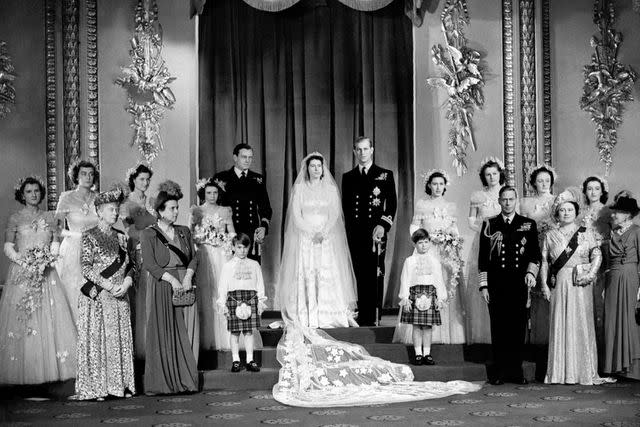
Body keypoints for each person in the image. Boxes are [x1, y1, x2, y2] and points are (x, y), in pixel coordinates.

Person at [0, 176, 76, 385]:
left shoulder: (49, 217)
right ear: (22, 195)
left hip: (46, 273)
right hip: (22, 273)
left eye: (36, 191)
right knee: (26, 319)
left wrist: (48, 258)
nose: (33, 195)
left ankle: (49, 375)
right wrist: (25, 262)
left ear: (41, 193)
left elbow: (55, 241)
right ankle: (26, 376)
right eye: (29, 192)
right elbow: (8, 246)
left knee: (48, 318)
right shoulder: (15, 218)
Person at [277, 152, 358, 328]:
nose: (315, 169)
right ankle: (306, 313)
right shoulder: (299, 189)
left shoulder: (330, 189)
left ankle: (327, 314)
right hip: (306, 238)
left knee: (325, 273)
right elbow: (296, 215)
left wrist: (323, 232)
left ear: (323, 169)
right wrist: (310, 231)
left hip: (325, 238)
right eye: (312, 166)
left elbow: (334, 213)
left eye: (318, 166)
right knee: (308, 273)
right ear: (307, 168)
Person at [540, 193, 613, 385]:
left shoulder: (585, 232)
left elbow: (596, 254)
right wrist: (544, 285)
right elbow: (545, 263)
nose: (566, 213)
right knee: (560, 323)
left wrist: (590, 274)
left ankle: (582, 371)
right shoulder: (549, 235)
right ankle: (560, 373)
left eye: (570, 209)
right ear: (556, 212)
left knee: (580, 323)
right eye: (562, 210)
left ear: (576, 211)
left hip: (580, 283)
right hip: (560, 283)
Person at [74, 187, 135, 400]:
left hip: (120, 295)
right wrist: (108, 287)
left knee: (119, 341)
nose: (115, 213)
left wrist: (126, 283)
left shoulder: (122, 237)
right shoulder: (89, 235)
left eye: (117, 209)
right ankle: (98, 387)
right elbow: (86, 268)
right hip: (99, 296)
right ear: (99, 211)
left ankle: (120, 386)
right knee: (99, 342)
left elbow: (130, 265)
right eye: (111, 209)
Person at [141, 180, 199, 394]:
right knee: (165, 333)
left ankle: (187, 377)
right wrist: (173, 280)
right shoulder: (148, 234)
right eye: (172, 208)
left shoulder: (184, 231)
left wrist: (187, 277)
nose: (176, 212)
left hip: (186, 283)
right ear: (160, 211)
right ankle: (166, 381)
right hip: (164, 286)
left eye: (177, 208)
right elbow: (150, 265)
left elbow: (194, 258)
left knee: (188, 332)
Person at [478, 185, 540, 385]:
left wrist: (531, 273)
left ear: (516, 201)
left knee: (517, 328)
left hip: (518, 285)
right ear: (499, 200)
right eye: (504, 199)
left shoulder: (528, 224)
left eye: (511, 199)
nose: (507, 203)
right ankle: (498, 372)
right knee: (499, 328)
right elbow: (483, 258)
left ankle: (515, 371)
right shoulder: (489, 224)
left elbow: (535, 254)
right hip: (496, 285)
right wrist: (484, 286)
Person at [191, 178, 260, 352]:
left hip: (222, 254)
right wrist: (203, 240)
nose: (212, 196)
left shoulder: (225, 211)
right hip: (204, 254)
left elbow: (232, 234)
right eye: (209, 193)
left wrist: (225, 242)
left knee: (223, 291)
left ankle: (228, 337)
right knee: (207, 292)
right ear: (203, 194)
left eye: (215, 192)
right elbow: (192, 234)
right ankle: (207, 337)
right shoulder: (196, 210)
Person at [342, 136, 397, 326]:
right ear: (354, 152)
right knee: (360, 273)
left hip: (376, 233)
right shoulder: (348, 177)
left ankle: (375, 315)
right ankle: (363, 314)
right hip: (355, 234)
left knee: (375, 273)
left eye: (366, 149)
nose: (362, 153)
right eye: (359, 149)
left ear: (372, 150)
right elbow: (346, 209)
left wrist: (383, 225)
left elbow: (391, 205)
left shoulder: (384, 175)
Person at [405, 169, 464, 344]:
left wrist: (453, 240)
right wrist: (422, 241)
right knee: (426, 286)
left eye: (441, 184)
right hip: (427, 251)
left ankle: (446, 332)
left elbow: (454, 229)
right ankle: (422, 330)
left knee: (445, 286)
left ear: (445, 186)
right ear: (429, 185)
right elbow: (414, 227)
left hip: (446, 252)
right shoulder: (422, 205)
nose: (438, 187)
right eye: (434, 184)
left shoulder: (451, 206)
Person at [464, 157, 504, 344]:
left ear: (500, 174)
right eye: (488, 174)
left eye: (494, 173)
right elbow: (471, 220)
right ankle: (482, 332)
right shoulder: (477, 196)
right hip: (483, 241)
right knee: (483, 282)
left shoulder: (508, 193)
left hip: (505, 243)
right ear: (483, 177)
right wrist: (485, 229)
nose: (492, 177)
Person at [55, 159, 99, 324]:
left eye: (91, 174)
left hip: (96, 251)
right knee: (74, 291)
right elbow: (57, 229)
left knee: (95, 291)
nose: (88, 177)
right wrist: (77, 236)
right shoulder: (66, 198)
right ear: (76, 176)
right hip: (73, 250)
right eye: (83, 173)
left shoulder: (99, 198)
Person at [212, 143, 272, 263]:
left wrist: (264, 226)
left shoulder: (257, 179)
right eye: (244, 157)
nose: (247, 160)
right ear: (235, 157)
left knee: (250, 273)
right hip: (229, 233)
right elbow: (214, 207)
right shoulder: (221, 178)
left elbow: (265, 207)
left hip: (250, 234)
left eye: (250, 157)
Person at [217, 233, 267, 373]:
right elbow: (222, 286)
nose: (242, 250)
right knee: (234, 333)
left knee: (249, 332)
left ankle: (250, 360)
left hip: (250, 298)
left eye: (245, 247)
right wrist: (223, 304)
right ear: (233, 247)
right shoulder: (227, 266)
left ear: (249, 247)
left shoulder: (254, 264)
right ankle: (236, 361)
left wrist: (261, 301)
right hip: (234, 299)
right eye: (239, 247)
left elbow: (260, 284)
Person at [120, 162, 156, 360]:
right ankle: (137, 344)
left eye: (147, 179)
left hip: (152, 249)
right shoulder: (126, 203)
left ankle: (151, 340)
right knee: (138, 293)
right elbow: (129, 229)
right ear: (133, 180)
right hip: (136, 248)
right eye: (141, 179)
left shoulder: (151, 200)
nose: (145, 182)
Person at [603, 194, 640, 380]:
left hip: (630, 278)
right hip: (612, 280)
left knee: (628, 320)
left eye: (617, 212)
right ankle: (615, 367)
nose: (613, 215)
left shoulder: (636, 231)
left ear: (627, 214)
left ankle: (631, 369)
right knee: (611, 321)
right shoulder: (612, 233)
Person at [397, 229, 447, 365]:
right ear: (414, 244)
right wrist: (405, 297)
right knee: (417, 326)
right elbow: (405, 279)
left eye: (426, 242)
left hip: (430, 294)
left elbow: (439, 280)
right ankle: (418, 354)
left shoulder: (434, 261)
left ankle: (427, 354)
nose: (424, 245)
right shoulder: (409, 261)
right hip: (415, 293)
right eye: (420, 243)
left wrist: (440, 298)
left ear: (430, 243)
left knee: (428, 326)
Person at [519, 164, 557, 345]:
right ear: (534, 182)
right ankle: (534, 337)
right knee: (531, 291)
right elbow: (521, 227)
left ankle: (554, 337)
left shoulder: (557, 200)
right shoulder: (525, 202)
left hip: (553, 249)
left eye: (547, 180)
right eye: (540, 181)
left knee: (551, 287)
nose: (544, 183)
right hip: (532, 248)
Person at [580, 175, 610, 358]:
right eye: (589, 188)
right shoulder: (580, 213)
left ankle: (603, 356)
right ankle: (586, 355)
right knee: (586, 306)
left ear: (602, 191)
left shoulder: (607, 212)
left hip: (603, 260)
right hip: (584, 260)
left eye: (596, 188)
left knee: (600, 306)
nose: (593, 192)